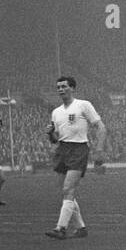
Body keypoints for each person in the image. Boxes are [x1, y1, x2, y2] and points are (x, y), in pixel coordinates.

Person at [45, 75, 107, 240]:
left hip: (78, 149)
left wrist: (99, 149)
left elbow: (100, 127)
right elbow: (55, 139)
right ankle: (81, 228)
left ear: (72, 88)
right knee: (65, 192)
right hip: (62, 150)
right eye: (58, 87)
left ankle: (61, 228)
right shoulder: (56, 112)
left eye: (64, 86)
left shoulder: (83, 105)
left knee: (67, 190)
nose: (61, 90)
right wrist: (51, 133)